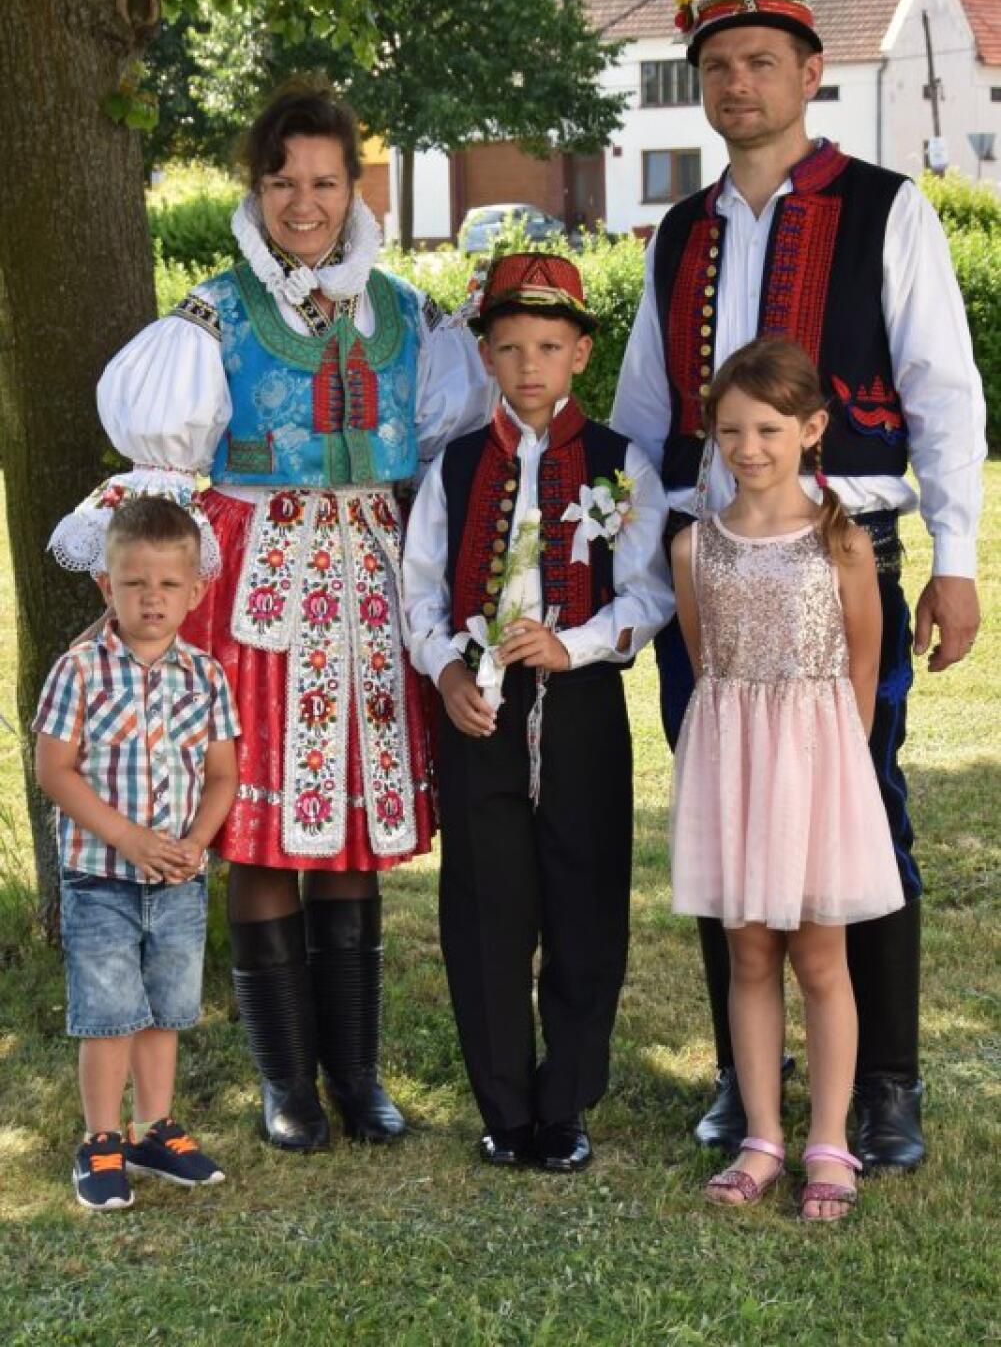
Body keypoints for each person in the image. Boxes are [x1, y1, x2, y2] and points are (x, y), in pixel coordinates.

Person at [52, 78, 493, 1152]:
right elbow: (166, 467)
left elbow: (446, 449)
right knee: (258, 831)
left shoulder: (407, 313)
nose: (305, 202)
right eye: (284, 181)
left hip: (371, 586)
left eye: (326, 182)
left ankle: (356, 1073)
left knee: (347, 834)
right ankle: (286, 1082)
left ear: (354, 188)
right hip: (257, 591)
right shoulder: (212, 314)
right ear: (256, 188)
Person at [611, 0, 986, 1171]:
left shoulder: (885, 208)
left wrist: (955, 559)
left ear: (809, 74)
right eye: (717, 66)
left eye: (761, 62)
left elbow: (941, 391)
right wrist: (627, 568)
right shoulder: (679, 230)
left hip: (840, 551)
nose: (737, 83)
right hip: (706, 563)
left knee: (861, 803)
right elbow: (642, 415)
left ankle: (883, 1085)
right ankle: (744, 1082)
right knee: (724, 807)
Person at [404, 253, 672, 1171]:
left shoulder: (618, 462)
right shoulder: (454, 466)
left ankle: (566, 1103)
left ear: (580, 354)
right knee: (486, 903)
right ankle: (505, 1107)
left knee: (585, 896)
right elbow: (419, 587)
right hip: (478, 707)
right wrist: (445, 670)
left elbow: (648, 592)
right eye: (511, 347)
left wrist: (576, 643)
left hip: (580, 700)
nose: (529, 365)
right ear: (485, 354)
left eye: (549, 347)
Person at [671, 340, 905, 1220]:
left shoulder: (839, 542)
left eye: (767, 429)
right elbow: (706, 664)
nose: (748, 447)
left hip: (818, 769)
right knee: (748, 953)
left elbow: (862, 665)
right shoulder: (695, 548)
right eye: (730, 430)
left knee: (818, 957)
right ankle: (762, 1136)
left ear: (810, 429)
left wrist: (833, 770)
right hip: (735, 765)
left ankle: (830, 1142)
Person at [34, 499, 239, 1210]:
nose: (152, 598)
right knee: (109, 1013)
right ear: (106, 586)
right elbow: (54, 770)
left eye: (168, 584)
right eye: (134, 583)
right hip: (102, 878)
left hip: (178, 880)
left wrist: (196, 842)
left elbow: (222, 775)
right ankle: (100, 1140)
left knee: (164, 1011)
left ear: (195, 591)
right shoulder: (80, 670)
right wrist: (127, 837)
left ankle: (154, 1130)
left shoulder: (206, 676)